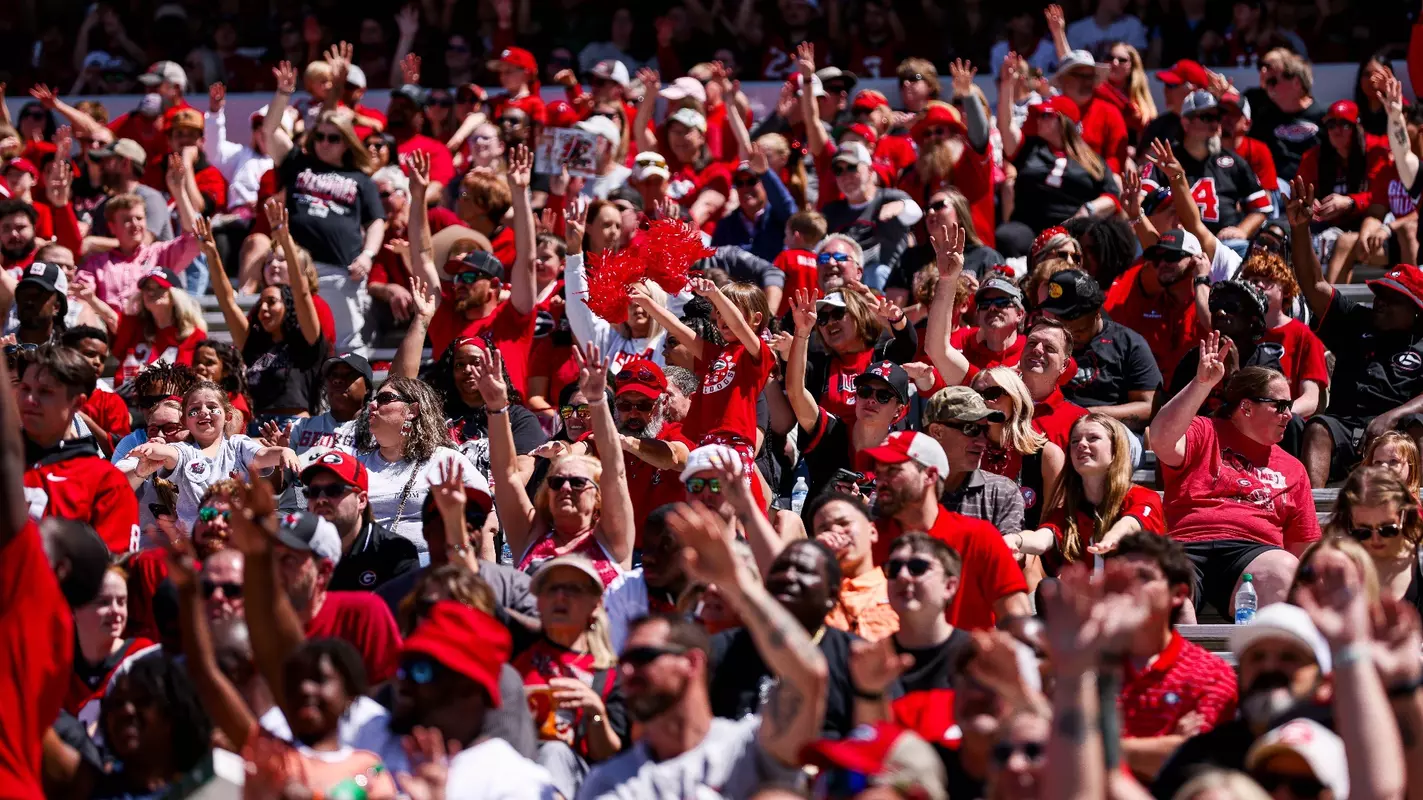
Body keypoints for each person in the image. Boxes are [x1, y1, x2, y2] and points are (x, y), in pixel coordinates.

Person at [579, 501, 830, 797]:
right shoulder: (608, 784)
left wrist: (736, 583)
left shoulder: (746, 748)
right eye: (625, 660)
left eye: (644, 657)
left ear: (693, 662)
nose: (628, 670)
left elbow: (809, 677)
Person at [1150, 336, 1319, 622]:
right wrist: (1202, 385)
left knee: (1284, 570)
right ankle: (1185, 663)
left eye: (1289, 405)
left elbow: (1302, 548)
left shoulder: (1294, 468)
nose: (1289, 415)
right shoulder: (1204, 431)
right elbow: (1161, 440)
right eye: (1279, 405)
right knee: (1163, 586)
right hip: (1186, 546)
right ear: (1246, 407)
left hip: (1254, 553)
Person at [482, 343, 635, 583]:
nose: (564, 487)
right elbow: (506, 476)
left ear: (598, 496)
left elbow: (615, 471)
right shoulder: (529, 537)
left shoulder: (613, 540)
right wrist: (497, 409)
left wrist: (597, 401)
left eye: (577, 482)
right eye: (555, 482)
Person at [262, 61, 386, 355]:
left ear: (346, 143)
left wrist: (368, 256)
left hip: (340, 271)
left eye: (334, 138)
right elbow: (270, 131)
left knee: (346, 345)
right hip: (296, 269)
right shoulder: (297, 164)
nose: (325, 143)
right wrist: (283, 94)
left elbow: (376, 222)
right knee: (293, 344)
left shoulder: (360, 179)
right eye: (320, 136)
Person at [1152, 601, 1331, 795]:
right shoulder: (1201, 755)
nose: (1269, 668)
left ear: (1322, 678)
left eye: (1289, 657)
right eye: (1256, 657)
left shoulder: (1346, 748)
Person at [863, 430, 1030, 629]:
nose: (881, 482)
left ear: (930, 476)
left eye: (892, 471)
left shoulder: (978, 538)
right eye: (878, 472)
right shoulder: (868, 540)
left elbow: (1019, 620)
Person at [408, 149, 539, 395]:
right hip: (453, 424)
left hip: (510, 421)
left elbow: (528, 260)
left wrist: (519, 193)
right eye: (457, 277)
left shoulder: (513, 319)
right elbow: (423, 260)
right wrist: (418, 197)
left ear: (495, 286)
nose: (460, 284)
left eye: (470, 277)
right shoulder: (445, 317)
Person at [200, 202, 326, 431]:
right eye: (260, 304)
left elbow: (302, 292)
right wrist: (212, 253)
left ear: (288, 307)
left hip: (296, 427)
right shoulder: (253, 343)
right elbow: (227, 302)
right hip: (256, 427)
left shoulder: (306, 340)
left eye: (272, 302)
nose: (264, 309)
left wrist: (286, 241)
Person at [515, 555, 629, 797]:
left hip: (582, 779)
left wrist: (595, 712)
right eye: (552, 588)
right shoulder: (517, 655)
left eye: (573, 589)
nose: (560, 597)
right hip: (518, 769)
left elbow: (608, 756)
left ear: (595, 604)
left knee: (554, 752)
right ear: (539, 602)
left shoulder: (608, 672)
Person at [123, 381, 297, 531]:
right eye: (194, 409)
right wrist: (150, 450)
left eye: (212, 407)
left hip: (237, 534)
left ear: (228, 416)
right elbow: (170, 453)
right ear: (185, 421)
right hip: (196, 539)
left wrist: (284, 452)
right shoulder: (185, 450)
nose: (204, 412)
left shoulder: (238, 445)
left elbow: (262, 455)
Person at [786, 289, 909, 499]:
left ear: (898, 413)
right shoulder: (832, 432)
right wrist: (802, 332)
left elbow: (909, 344)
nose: (871, 399)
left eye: (883, 396)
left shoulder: (904, 453)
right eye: (864, 391)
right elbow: (796, 392)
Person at [17, 344, 139, 554]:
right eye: (25, 389)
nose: (29, 400)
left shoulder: (106, 482)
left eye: (45, 392)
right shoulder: (7, 462)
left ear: (77, 403)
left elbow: (114, 571)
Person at [1012, 414, 1164, 576]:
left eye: (1093, 438)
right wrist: (1014, 540)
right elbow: (1041, 540)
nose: (1082, 444)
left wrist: (1113, 537)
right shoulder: (1069, 511)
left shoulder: (1144, 497)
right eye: (1075, 441)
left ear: (1116, 449)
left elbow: (1130, 523)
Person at [347, 374, 480, 556]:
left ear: (412, 410)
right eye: (374, 399)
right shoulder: (355, 466)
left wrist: (481, 575)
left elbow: (487, 525)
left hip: (431, 567)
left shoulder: (447, 461)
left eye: (385, 398)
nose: (372, 405)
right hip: (367, 567)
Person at [1143, 92, 1273, 246]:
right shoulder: (1166, 160)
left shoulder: (1234, 162)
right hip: (1177, 245)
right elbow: (1140, 202)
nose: (1216, 124)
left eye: (1218, 118)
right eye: (1207, 118)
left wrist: (1242, 230)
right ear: (1186, 123)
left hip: (1225, 246)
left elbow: (1261, 208)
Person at [996, 86, 1121, 245]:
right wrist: (1007, 83)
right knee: (1007, 236)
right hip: (1029, 225)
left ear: (1063, 122)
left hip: (1074, 227)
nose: (1039, 119)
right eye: (1039, 115)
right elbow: (1006, 126)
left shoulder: (1092, 160)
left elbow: (1112, 196)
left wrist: (1086, 211)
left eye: (1046, 115)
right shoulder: (1030, 148)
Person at [1040, 270, 1161, 433]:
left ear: (1096, 313)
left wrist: (1089, 415)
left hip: (1110, 434)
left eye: (1077, 329)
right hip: (1051, 429)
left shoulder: (1129, 344)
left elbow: (1149, 407)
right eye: (1059, 316)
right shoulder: (1043, 340)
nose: (1066, 327)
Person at [562, 198, 671, 371]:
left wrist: (669, 240)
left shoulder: (668, 345)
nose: (636, 305)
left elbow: (675, 291)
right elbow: (579, 312)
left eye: (643, 298)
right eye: (630, 299)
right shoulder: (609, 342)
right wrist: (574, 253)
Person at [300, 450, 419, 593]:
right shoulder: (297, 550)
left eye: (334, 490)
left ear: (361, 500)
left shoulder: (394, 552)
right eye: (313, 492)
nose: (321, 500)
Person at [819, 141, 923, 289]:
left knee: (876, 272)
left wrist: (901, 205)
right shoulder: (832, 211)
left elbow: (916, 212)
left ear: (870, 170)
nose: (845, 175)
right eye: (838, 170)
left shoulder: (889, 198)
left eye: (852, 167)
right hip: (848, 281)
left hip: (889, 283)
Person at [920, 386, 1023, 535]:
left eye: (985, 430)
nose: (982, 441)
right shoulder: (900, 488)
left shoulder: (1001, 493)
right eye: (971, 428)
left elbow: (1012, 555)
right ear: (937, 432)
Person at [1238, 251, 1329, 419]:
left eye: (1268, 281)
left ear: (1285, 290)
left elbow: (1310, 400)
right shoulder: (1238, 332)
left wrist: (1274, 414)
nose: (1258, 285)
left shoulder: (1305, 336)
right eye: (1253, 280)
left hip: (1285, 425)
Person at [803, 492, 900, 642]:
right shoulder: (813, 596)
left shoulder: (900, 590)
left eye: (843, 523)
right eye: (824, 529)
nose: (835, 532)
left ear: (872, 532)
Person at [1327, 465, 1422, 609]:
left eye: (1388, 529)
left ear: (1403, 515)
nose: (1375, 539)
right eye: (1363, 531)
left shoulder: (1419, 563)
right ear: (1349, 522)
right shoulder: (1338, 565)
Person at [109, 267, 207, 368]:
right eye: (147, 288)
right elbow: (109, 316)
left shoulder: (194, 336)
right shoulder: (133, 325)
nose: (151, 293)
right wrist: (91, 299)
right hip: (128, 383)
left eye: (160, 287)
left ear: (175, 295)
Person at [1364, 431, 1422, 498]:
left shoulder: (1410, 505)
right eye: (1378, 462)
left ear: (1411, 467)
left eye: (1393, 461)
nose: (1383, 467)